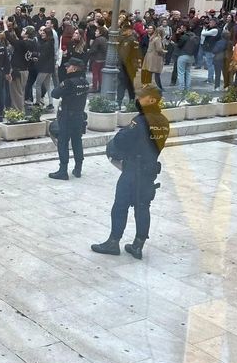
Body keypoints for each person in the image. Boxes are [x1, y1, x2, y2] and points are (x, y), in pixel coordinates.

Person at [91, 84, 170, 260]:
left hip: (133, 169)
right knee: (143, 208)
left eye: (141, 97)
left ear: (151, 100)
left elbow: (121, 141)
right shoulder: (164, 121)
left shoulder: (140, 121)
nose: (138, 100)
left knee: (120, 206)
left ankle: (113, 242)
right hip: (149, 170)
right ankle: (138, 245)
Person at [48, 58, 90, 180]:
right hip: (79, 116)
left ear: (75, 68)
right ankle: (78, 168)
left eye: (68, 66)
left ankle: (63, 170)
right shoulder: (85, 82)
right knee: (77, 141)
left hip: (67, 116)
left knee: (63, 142)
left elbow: (54, 94)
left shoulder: (69, 82)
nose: (66, 68)